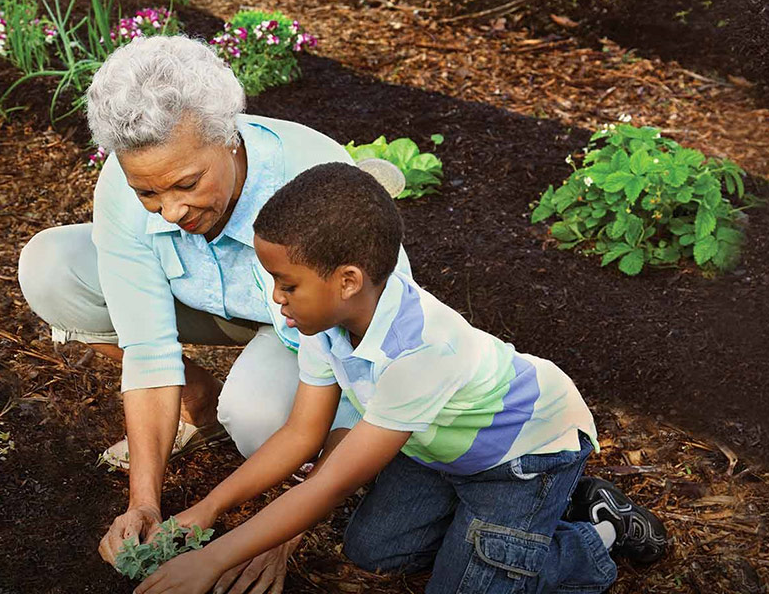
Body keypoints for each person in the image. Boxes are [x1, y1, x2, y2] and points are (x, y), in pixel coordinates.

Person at [136, 163, 669, 594]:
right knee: (374, 552)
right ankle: (500, 531)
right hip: (439, 450)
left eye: (286, 283)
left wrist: (211, 560)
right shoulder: (324, 324)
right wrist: (204, 511)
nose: (275, 298)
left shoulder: (419, 353)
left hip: (524, 457)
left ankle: (595, 533)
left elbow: (330, 483)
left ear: (347, 280)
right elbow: (301, 436)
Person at [15, 35, 411, 584]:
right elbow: (147, 348)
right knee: (51, 267)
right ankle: (194, 402)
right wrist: (144, 505)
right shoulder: (129, 181)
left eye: (187, 183)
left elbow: (379, 376)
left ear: (229, 137)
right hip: (207, 302)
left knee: (257, 419)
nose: (171, 209)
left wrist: (283, 535)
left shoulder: (315, 187)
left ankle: (244, 405)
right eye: (148, 193)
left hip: (306, 328)